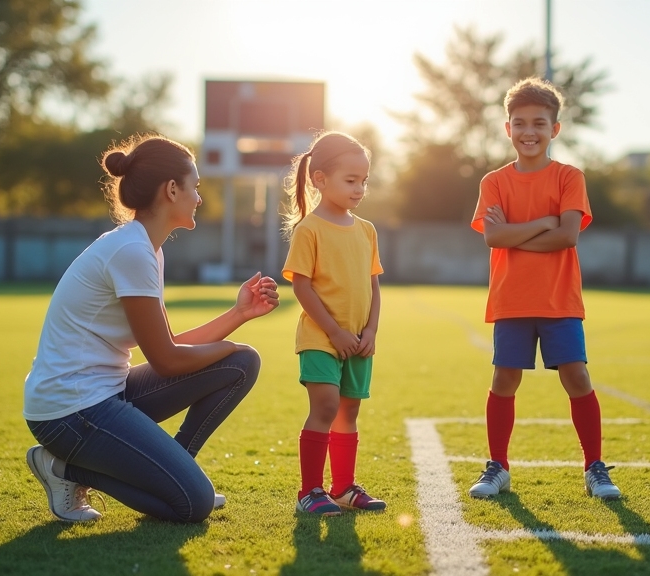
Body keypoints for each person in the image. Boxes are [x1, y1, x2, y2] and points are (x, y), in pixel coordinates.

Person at [23, 134, 280, 523]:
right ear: (171, 189)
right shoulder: (131, 251)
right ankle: (63, 469)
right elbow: (166, 359)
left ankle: (178, 471)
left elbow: (168, 344)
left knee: (243, 363)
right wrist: (230, 347)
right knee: (193, 505)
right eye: (194, 187)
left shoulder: (146, 248)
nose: (199, 197)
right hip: (69, 412)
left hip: (106, 393)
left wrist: (238, 315)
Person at [468, 78, 622, 501]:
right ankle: (498, 466)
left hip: (559, 299)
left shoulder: (570, 178)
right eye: (519, 123)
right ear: (507, 128)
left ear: (555, 129)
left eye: (539, 122)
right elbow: (492, 239)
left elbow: (568, 236)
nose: (528, 131)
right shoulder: (494, 183)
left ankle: (595, 467)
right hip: (511, 299)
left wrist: (515, 232)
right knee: (504, 378)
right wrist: (541, 224)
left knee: (576, 376)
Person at [280, 131, 386, 516]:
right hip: (321, 338)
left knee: (349, 411)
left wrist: (370, 331)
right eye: (350, 180)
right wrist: (335, 332)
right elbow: (303, 288)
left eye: (364, 181)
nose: (359, 189)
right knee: (324, 406)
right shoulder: (309, 229)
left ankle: (343, 488)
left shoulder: (367, 230)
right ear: (320, 179)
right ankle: (310, 491)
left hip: (358, 340)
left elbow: (373, 287)